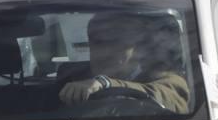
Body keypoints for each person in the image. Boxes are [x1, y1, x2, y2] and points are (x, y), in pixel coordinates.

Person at [59, 12, 190, 114]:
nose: (105, 51)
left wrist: (106, 84)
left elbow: (167, 99)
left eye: (115, 42)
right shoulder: (70, 78)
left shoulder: (168, 80)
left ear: (138, 47)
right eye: (98, 42)